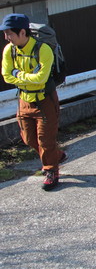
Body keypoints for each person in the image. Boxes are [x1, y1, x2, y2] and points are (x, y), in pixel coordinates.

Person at [1, 13, 66, 191]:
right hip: (24, 100)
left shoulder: (43, 49)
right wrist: (25, 77)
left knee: (45, 139)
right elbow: (6, 76)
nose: (6, 37)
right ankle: (56, 156)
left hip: (45, 100)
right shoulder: (10, 50)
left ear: (22, 32)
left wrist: (18, 75)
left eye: (9, 33)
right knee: (28, 139)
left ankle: (51, 171)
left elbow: (41, 78)